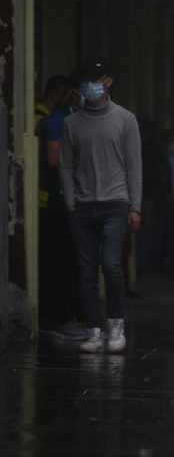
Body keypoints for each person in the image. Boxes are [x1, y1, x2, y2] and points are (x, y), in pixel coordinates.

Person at [59, 57, 142, 353]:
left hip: (115, 204)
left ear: (108, 81)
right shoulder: (71, 123)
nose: (88, 86)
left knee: (111, 264)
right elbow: (66, 165)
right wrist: (70, 200)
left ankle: (116, 326)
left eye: (94, 80)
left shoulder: (125, 119)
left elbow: (134, 165)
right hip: (82, 206)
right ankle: (93, 331)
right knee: (86, 270)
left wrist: (135, 206)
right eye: (84, 80)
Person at [37, 74, 87, 339]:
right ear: (68, 94)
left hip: (70, 199)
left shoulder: (71, 121)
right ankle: (57, 319)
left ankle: (67, 316)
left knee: (70, 261)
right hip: (56, 201)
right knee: (60, 262)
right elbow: (54, 160)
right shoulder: (57, 121)